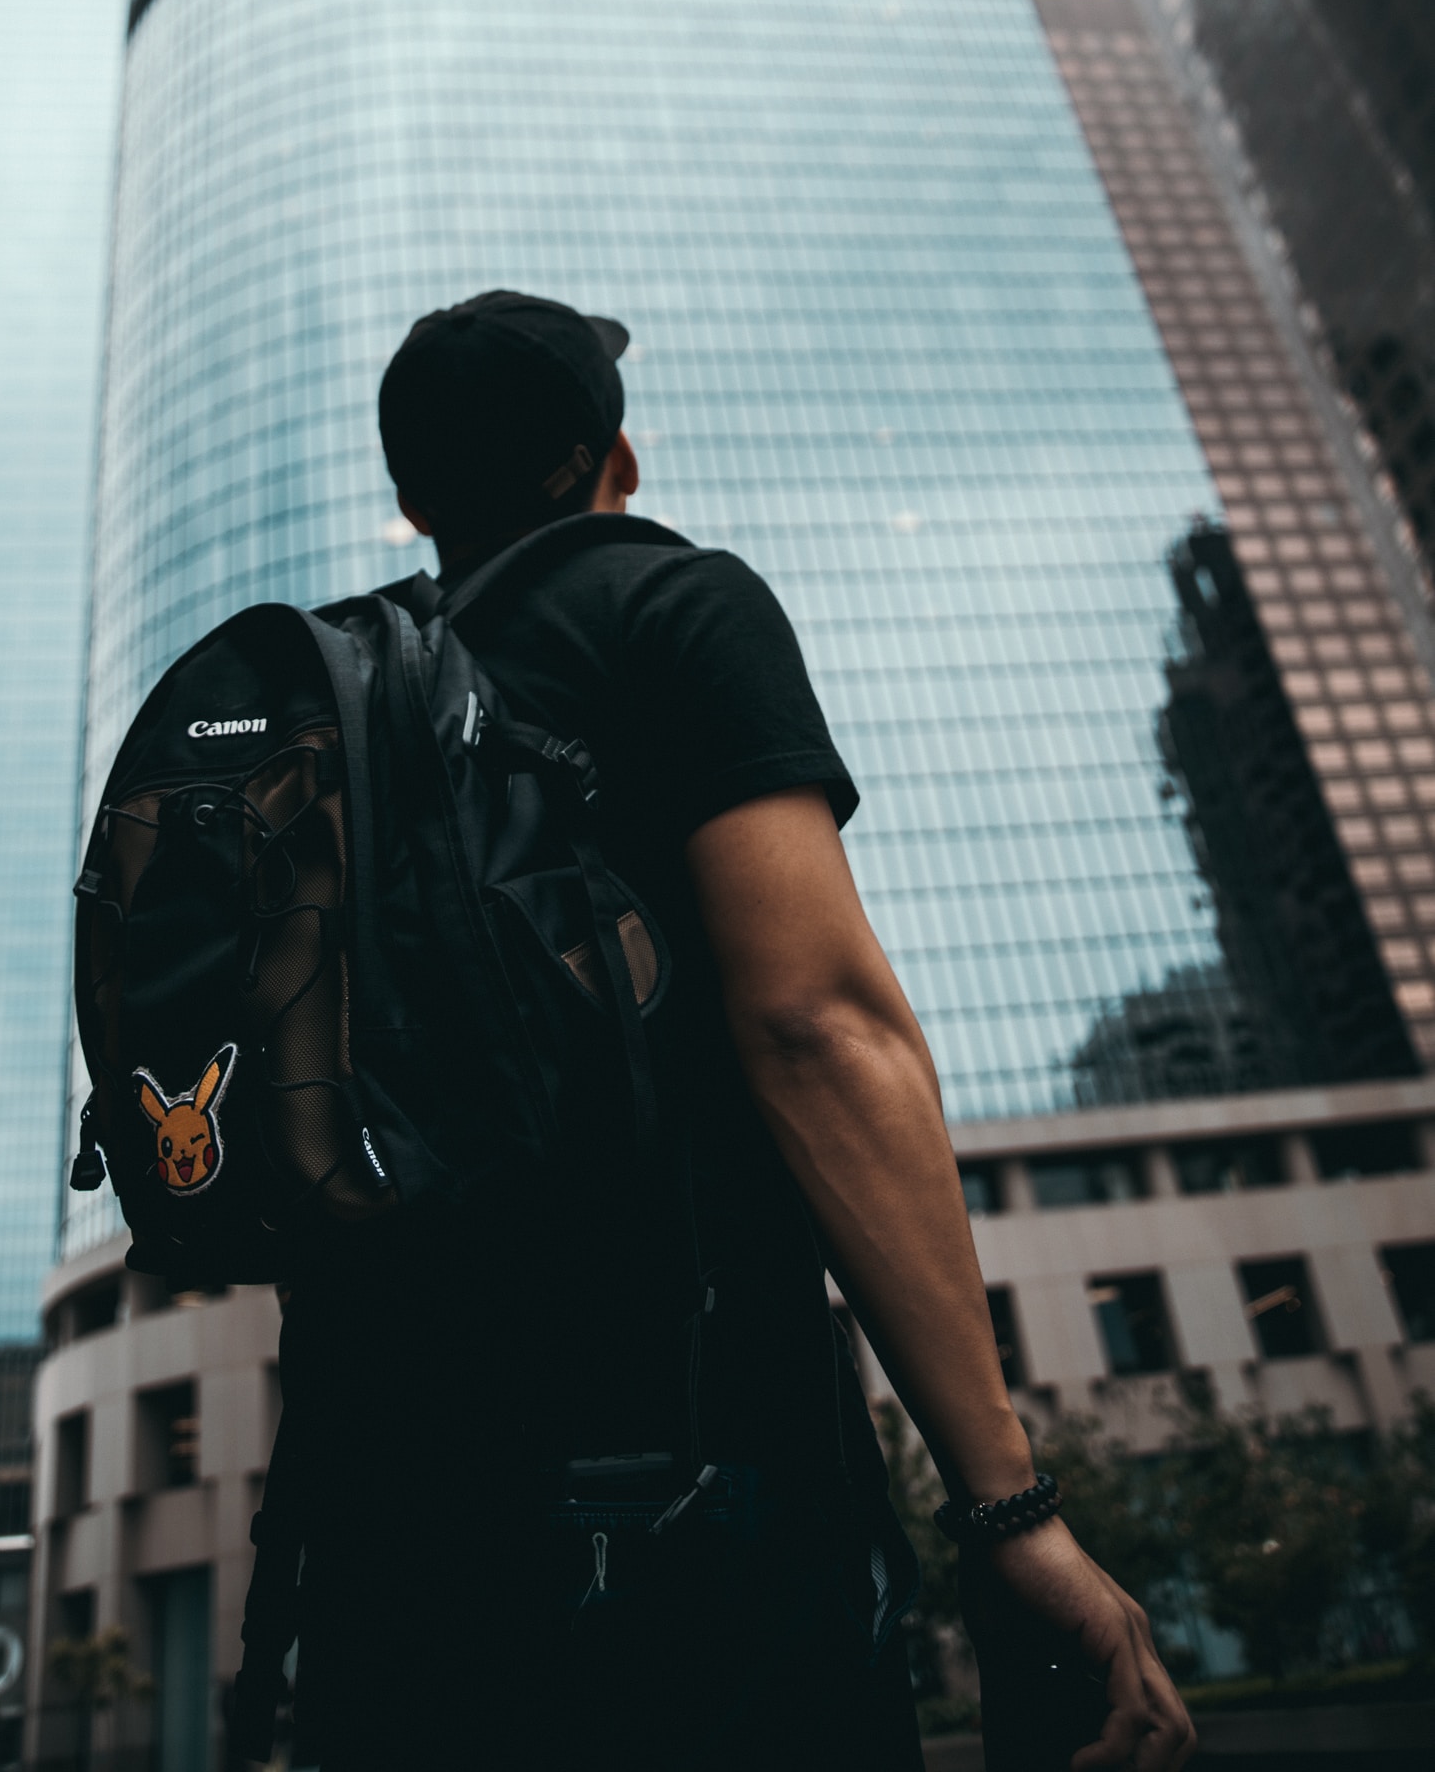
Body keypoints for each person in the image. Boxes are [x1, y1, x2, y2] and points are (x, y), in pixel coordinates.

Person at [264, 291, 1195, 1772]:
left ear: (411, 501)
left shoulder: (339, 714)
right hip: (691, 1483)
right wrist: (1010, 1511)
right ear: (610, 464)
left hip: (388, 1525)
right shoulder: (667, 608)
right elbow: (818, 1027)